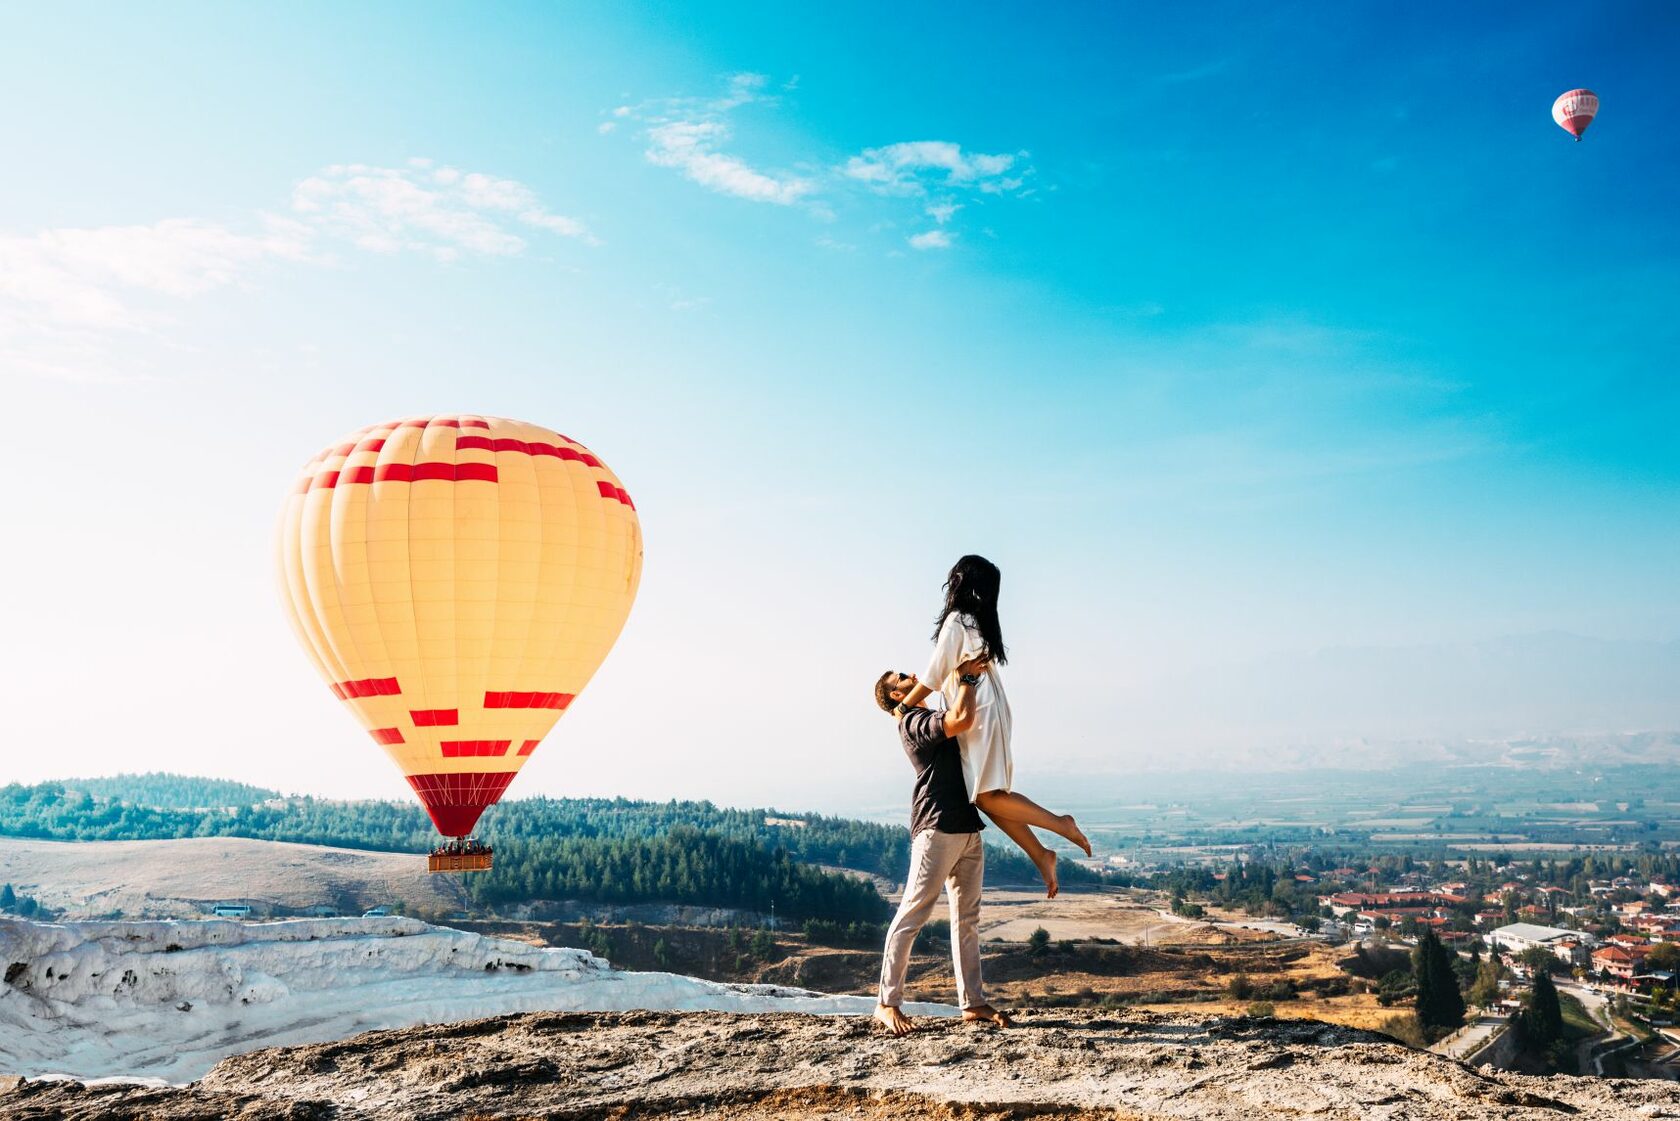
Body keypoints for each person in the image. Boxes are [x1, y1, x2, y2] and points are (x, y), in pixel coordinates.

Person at [888, 554, 1090, 898]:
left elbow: (935, 675)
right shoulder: (977, 622)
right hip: (989, 709)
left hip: (980, 712)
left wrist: (904, 705)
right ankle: (1041, 854)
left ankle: (1060, 825)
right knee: (990, 796)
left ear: (958, 582)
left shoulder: (957, 621)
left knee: (988, 796)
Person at [872, 655, 1012, 1036]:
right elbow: (961, 721)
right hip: (936, 829)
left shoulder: (928, 713)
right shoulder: (913, 721)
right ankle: (886, 1003)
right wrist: (966, 676)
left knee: (967, 919)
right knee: (912, 914)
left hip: (966, 827)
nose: (914, 675)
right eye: (903, 677)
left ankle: (973, 1003)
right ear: (896, 695)